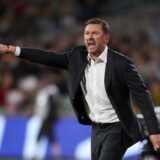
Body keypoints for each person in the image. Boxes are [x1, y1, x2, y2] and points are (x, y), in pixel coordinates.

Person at [0, 17, 160, 160]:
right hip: (96, 128)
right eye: (87, 33)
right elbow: (48, 58)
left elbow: (143, 96)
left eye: (94, 33)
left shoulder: (122, 64)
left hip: (118, 127)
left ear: (106, 38)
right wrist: (14, 50)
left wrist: (154, 131)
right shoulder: (77, 57)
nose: (89, 37)